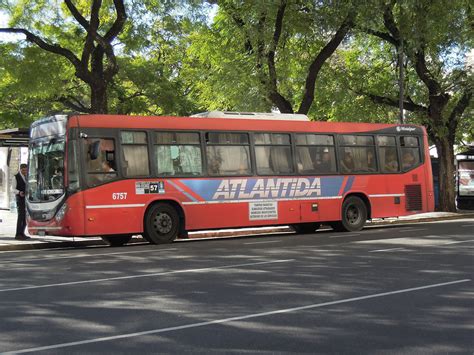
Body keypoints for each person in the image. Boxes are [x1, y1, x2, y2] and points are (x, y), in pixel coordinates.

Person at [11, 163, 30, 240]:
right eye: (24, 170)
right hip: (20, 199)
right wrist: (19, 192)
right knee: (20, 216)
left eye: (26, 170)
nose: (25, 171)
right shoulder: (15, 177)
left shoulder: (26, 177)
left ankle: (22, 233)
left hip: (26, 199)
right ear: (20, 169)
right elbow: (12, 189)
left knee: (25, 217)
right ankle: (18, 234)